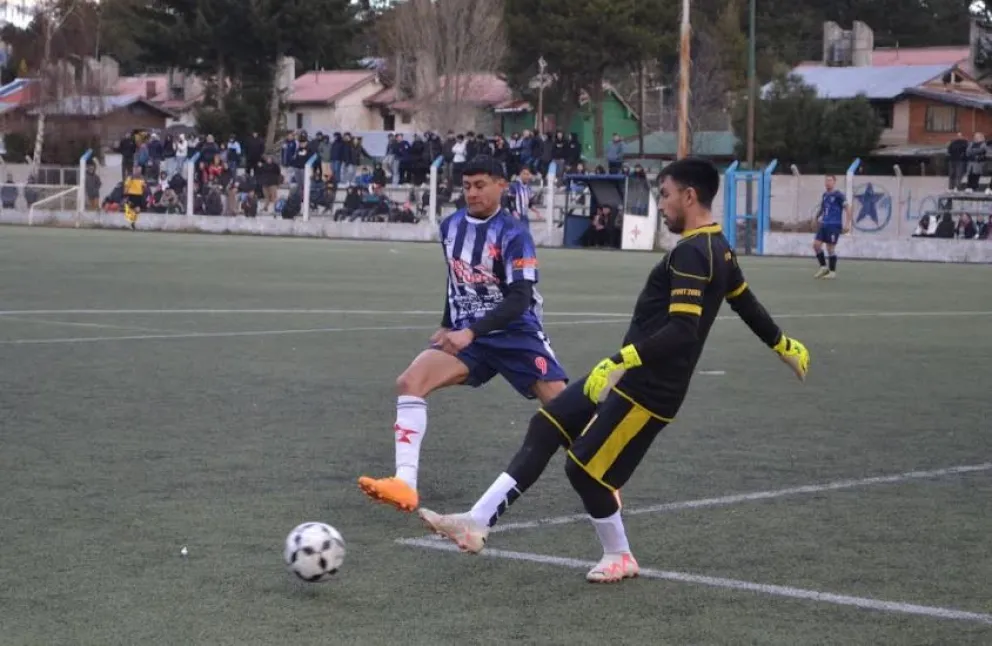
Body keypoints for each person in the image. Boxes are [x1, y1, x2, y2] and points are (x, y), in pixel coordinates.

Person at [419, 158, 811, 583]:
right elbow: (744, 301)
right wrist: (782, 344)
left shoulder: (693, 253)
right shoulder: (718, 247)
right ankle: (477, 522)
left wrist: (621, 360)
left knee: (585, 471)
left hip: (649, 387)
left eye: (665, 194)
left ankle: (619, 555)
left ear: (689, 196)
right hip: (630, 374)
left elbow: (683, 329)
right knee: (548, 425)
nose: (661, 204)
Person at [358, 156, 569, 512]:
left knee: (566, 411)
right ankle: (405, 484)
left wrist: (470, 331)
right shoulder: (451, 226)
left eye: (480, 185)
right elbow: (455, 280)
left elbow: (520, 299)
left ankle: (604, 481)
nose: (472, 193)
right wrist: (447, 322)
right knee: (410, 382)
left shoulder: (515, 234)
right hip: (467, 334)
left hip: (515, 335)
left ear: (502, 185)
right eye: (467, 186)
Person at [813, 175, 851, 279]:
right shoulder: (825, 195)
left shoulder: (839, 195)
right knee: (816, 245)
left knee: (830, 248)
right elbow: (823, 208)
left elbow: (847, 208)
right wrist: (816, 217)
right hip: (824, 224)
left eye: (830, 180)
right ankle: (823, 267)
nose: (827, 182)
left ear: (834, 182)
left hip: (834, 225)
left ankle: (832, 272)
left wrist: (847, 224)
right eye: (826, 180)